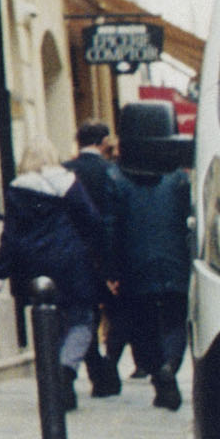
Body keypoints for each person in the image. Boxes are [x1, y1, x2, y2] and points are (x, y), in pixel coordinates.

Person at [0, 145, 106, 399]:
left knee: (47, 324)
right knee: (81, 320)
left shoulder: (16, 190)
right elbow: (92, 220)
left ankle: (56, 384)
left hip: (34, 265)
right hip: (70, 260)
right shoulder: (68, 183)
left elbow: (10, 235)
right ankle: (66, 369)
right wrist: (95, 253)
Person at [111, 95, 195, 411]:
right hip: (175, 262)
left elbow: (110, 227)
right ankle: (169, 367)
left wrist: (110, 270)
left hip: (134, 265)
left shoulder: (116, 178)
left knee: (142, 327)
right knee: (175, 322)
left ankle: (160, 375)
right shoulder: (177, 178)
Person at [69, 116, 130, 392]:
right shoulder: (113, 172)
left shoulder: (65, 172)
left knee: (85, 316)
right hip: (110, 254)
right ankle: (109, 364)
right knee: (120, 313)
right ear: (104, 142)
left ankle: (97, 369)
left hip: (75, 255)